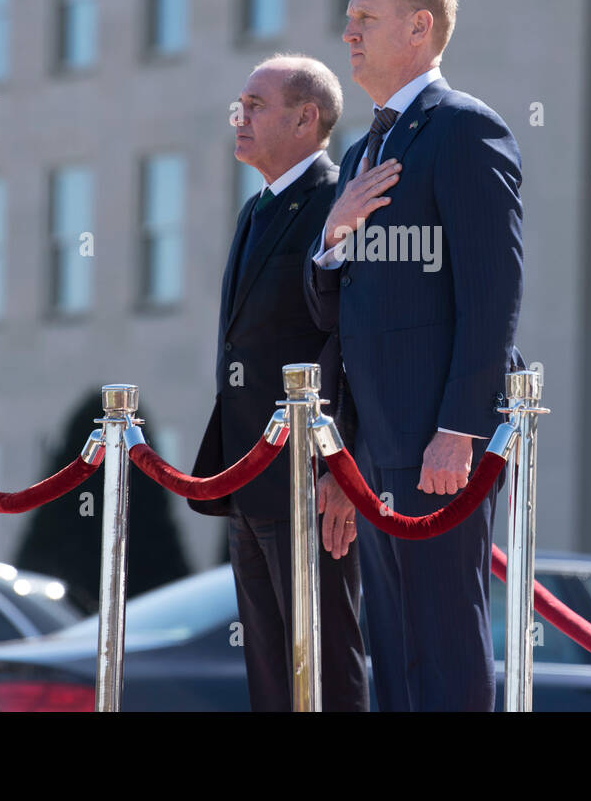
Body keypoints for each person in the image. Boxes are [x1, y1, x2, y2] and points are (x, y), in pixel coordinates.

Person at [305, 0, 524, 712]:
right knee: (394, 656)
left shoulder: (464, 130)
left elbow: (494, 294)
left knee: (443, 648)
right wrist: (332, 233)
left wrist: (459, 429)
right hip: (374, 451)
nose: (349, 32)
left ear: (419, 27)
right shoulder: (368, 149)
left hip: (438, 447)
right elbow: (339, 315)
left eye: (365, 19)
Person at [189, 54, 368, 711]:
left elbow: (349, 340)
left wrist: (340, 467)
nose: (240, 116)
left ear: (306, 117)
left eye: (256, 104)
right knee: (270, 669)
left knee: (322, 658)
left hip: (308, 480)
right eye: (240, 103)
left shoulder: (335, 200)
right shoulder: (256, 208)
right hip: (248, 471)